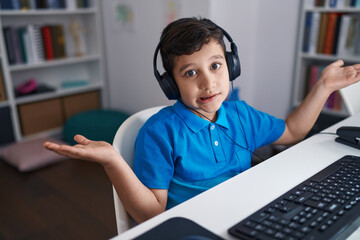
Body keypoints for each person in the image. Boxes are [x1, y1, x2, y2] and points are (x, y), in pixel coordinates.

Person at [44, 17, 360, 224]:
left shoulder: (241, 115)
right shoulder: (159, 132)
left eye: (216, 66)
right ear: (171, 84)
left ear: (231, 66)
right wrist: (113, 161)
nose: (208, 84)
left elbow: (292, 131)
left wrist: (324, 86)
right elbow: (150, 213)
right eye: (191, 73)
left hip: (245, 219)